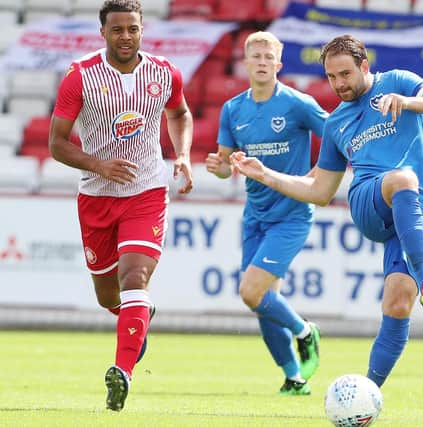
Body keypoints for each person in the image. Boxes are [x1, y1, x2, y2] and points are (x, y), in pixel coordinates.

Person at [230, 34, 423, 388]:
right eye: (332, 77)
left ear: (364, 66)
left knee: (399, 304)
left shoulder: (398, 82)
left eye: (345, 75)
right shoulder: (337, 122)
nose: (339, 84)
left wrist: (410, 102)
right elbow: (320, 190)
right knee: (401, 178)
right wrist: (266, 174)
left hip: (417, 208)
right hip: (369, 201)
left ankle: (366, 393)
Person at [49, 0, 193, 411]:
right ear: (103, 33)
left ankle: (122, 373)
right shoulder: (80, 76)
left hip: (146, 191)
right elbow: (56, 144)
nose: (125, 36)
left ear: (143, 29)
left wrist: (181, 154)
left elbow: (180, 114)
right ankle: (137, 316)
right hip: (96, 195)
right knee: (107, 295)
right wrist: (98, 165)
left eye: (132, 28)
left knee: (135, 276)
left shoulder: (164, 72)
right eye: (117, 30)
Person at [205, 31, 326, 396]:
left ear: (278, 63)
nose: (261, 61)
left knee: (250, 291)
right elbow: (228, 165)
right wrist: (220, 167)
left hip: (291, 214)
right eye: (254, 55)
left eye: (267, 56)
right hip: (254, 215)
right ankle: (294, 377)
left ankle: (305, 331)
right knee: (262, 302)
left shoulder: (297, 103)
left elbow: (338, 136)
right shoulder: (233, 109)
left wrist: (317, 176)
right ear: (244, 62)